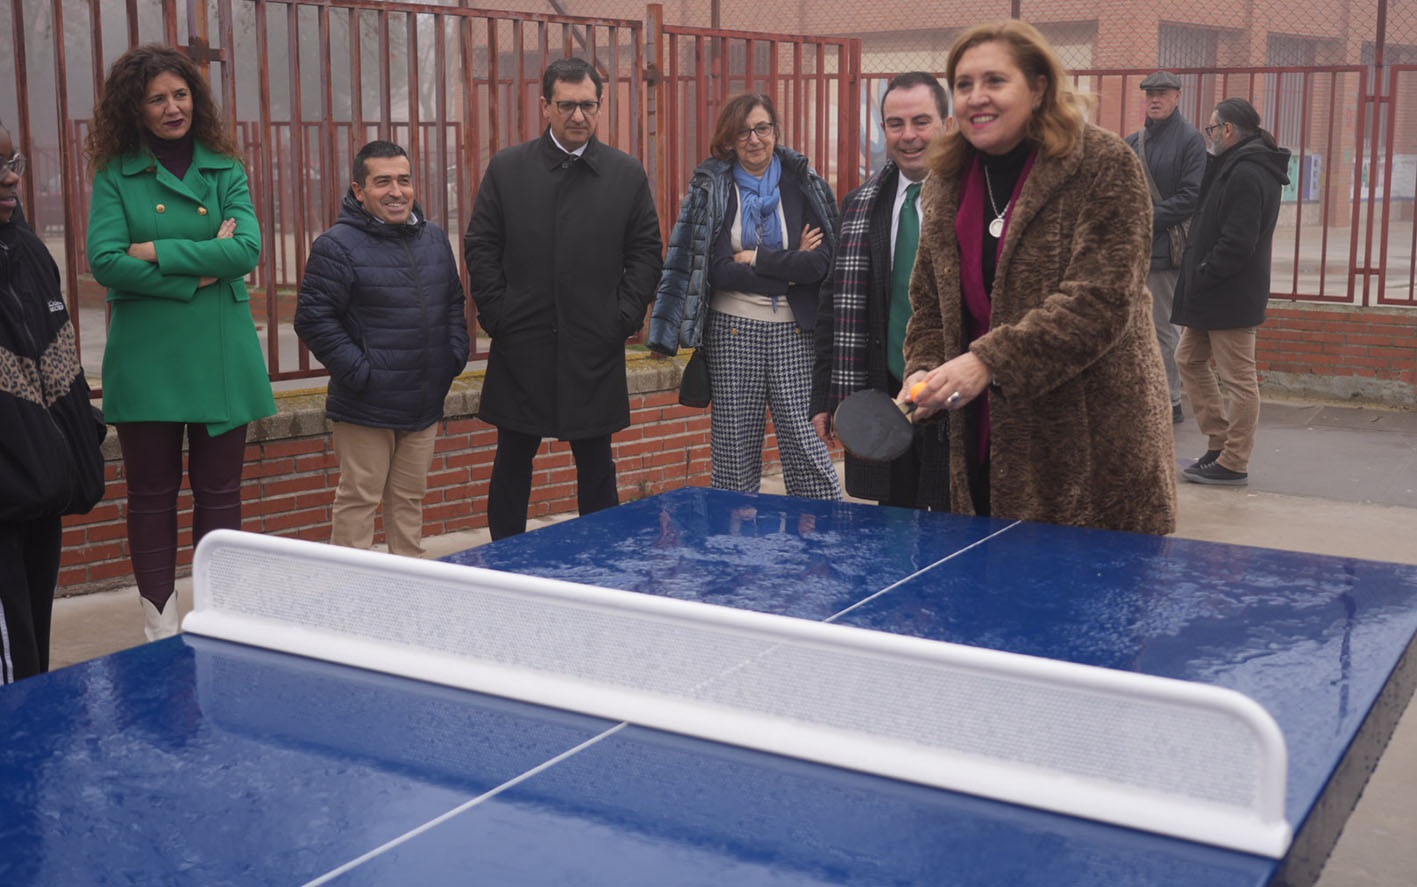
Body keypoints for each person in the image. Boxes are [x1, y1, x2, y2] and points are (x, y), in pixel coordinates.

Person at [901, 20, 1176, 534]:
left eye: (994, 81)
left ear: (1039, 87)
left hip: (1090, 445)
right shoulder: (945, 181)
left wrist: (987, 360)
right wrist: (925, 371)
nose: (976, 98)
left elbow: (1100, 300)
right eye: (963, 85)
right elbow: (932, 307)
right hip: (983, 438)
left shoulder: (1103, 162)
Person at [85, 45, 276, 639]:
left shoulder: (225, 165)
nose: (173, 108)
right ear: (134, 110)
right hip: (148, 357)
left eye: (181, 94)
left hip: (221, 353)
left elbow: (246, 250)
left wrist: (158, 250)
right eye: (157, 99)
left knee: (220, 494)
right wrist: (199, 270)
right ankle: (159, 625)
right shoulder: (117, 172)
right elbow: (105, 261)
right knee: (151, 494)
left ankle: (220, 614)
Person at [465, 57, 662, 540]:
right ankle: (504, 562)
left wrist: (622, 317)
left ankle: (602, 562)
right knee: (512, 458)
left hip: (594, 342)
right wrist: (498, 314)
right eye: (567, 105)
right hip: (521, 342)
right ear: (545, 106)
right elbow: (481, 245)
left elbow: (646, 252)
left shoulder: (625, 173)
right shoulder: (509, 168)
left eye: (588, 105)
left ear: (600, 106)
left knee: (596, 463)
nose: (578, 116)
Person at [649, 93, 842, 500]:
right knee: (735, 455)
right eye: (743, 132)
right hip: (732, 333)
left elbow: (820, 264)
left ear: (775, 131)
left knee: (806, 446)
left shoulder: (803, 183)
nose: (754, 139)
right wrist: (785, 275)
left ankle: (823, 546)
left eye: (762, 128)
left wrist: (757, 258)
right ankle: (734, 550)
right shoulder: (712, 189)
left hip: (795, 333)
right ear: (730, 140)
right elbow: (716, 269)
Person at [295, 140, 469, 556]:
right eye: (383, 181)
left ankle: (408, 590)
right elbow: (314, 319)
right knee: (359, 500)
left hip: (424, 398)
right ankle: (349, 597)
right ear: (359, 190)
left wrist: (452, 357)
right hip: (366, 405)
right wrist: (360, 372)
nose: (396, 191)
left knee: (409, 502)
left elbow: (452, 303)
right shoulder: (335, 245)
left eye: (404, 180)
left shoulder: (433, 238)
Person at [809, 72, 951, 509]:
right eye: (895, 124)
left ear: (947, 124)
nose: (908, 136)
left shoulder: (976, 201)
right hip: (884, 393)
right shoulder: (859, 205)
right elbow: (833, 304)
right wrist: (826, 397)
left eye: (921, 121)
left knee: (955, 530)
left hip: (958, 396)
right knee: (893, 527)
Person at [1, 121, 108, 682]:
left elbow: (54, 352)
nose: (10, 176)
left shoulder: (27, 248)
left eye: (12, 160)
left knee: (31, 656)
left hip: (40, 488)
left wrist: (75, 432)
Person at [1173, 98, 1291, 487]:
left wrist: (1204, 274)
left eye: (1211, 129)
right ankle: (1219, 442)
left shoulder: (1248, 173)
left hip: (1229, 294)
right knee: (1188, 359)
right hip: (1212, 293)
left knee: (1239, 379)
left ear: (1227, 131)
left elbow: (1238, 242)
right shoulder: (1232, 166)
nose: (1208, 136)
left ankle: (1234, 461)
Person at [1125, 71, 1206, 425]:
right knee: (1131, 329)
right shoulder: (1133, 141)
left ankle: (1170, 400)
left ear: (1177, 97)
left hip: (1166, 249)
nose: (1154, 99)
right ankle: (1140, 394)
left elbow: (1191, 196)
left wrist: (1144, 218)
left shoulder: (1191, 141)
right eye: (1150, 94)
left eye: (1162, 93)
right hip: (1133, 251)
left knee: (1163, 330)